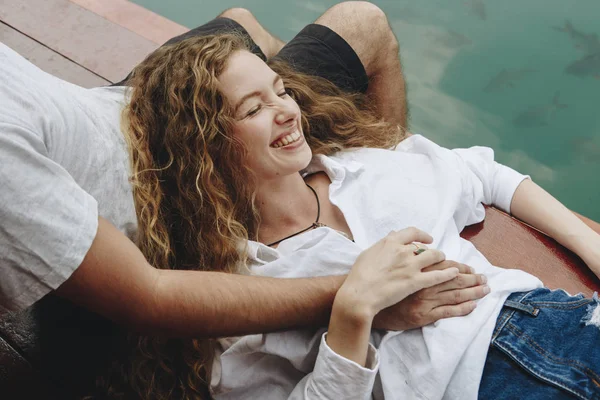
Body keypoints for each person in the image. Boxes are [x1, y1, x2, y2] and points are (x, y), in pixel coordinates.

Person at [122, 32, 600, 399]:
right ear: (203, 148)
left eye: (281, 91)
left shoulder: (362, 168)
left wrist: (589, 244)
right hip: (483, 383)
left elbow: (485, 173)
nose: (286, 110)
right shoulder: (243, 288)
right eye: (253, 109)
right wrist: (353, 313)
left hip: (555, 321)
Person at [0, 4, 485, 344]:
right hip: (177, 164)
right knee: (363, 25)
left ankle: (360, 161)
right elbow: (147, 298)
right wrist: (370, 291)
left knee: (239, 22)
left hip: (123, 103)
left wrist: (262, 88)